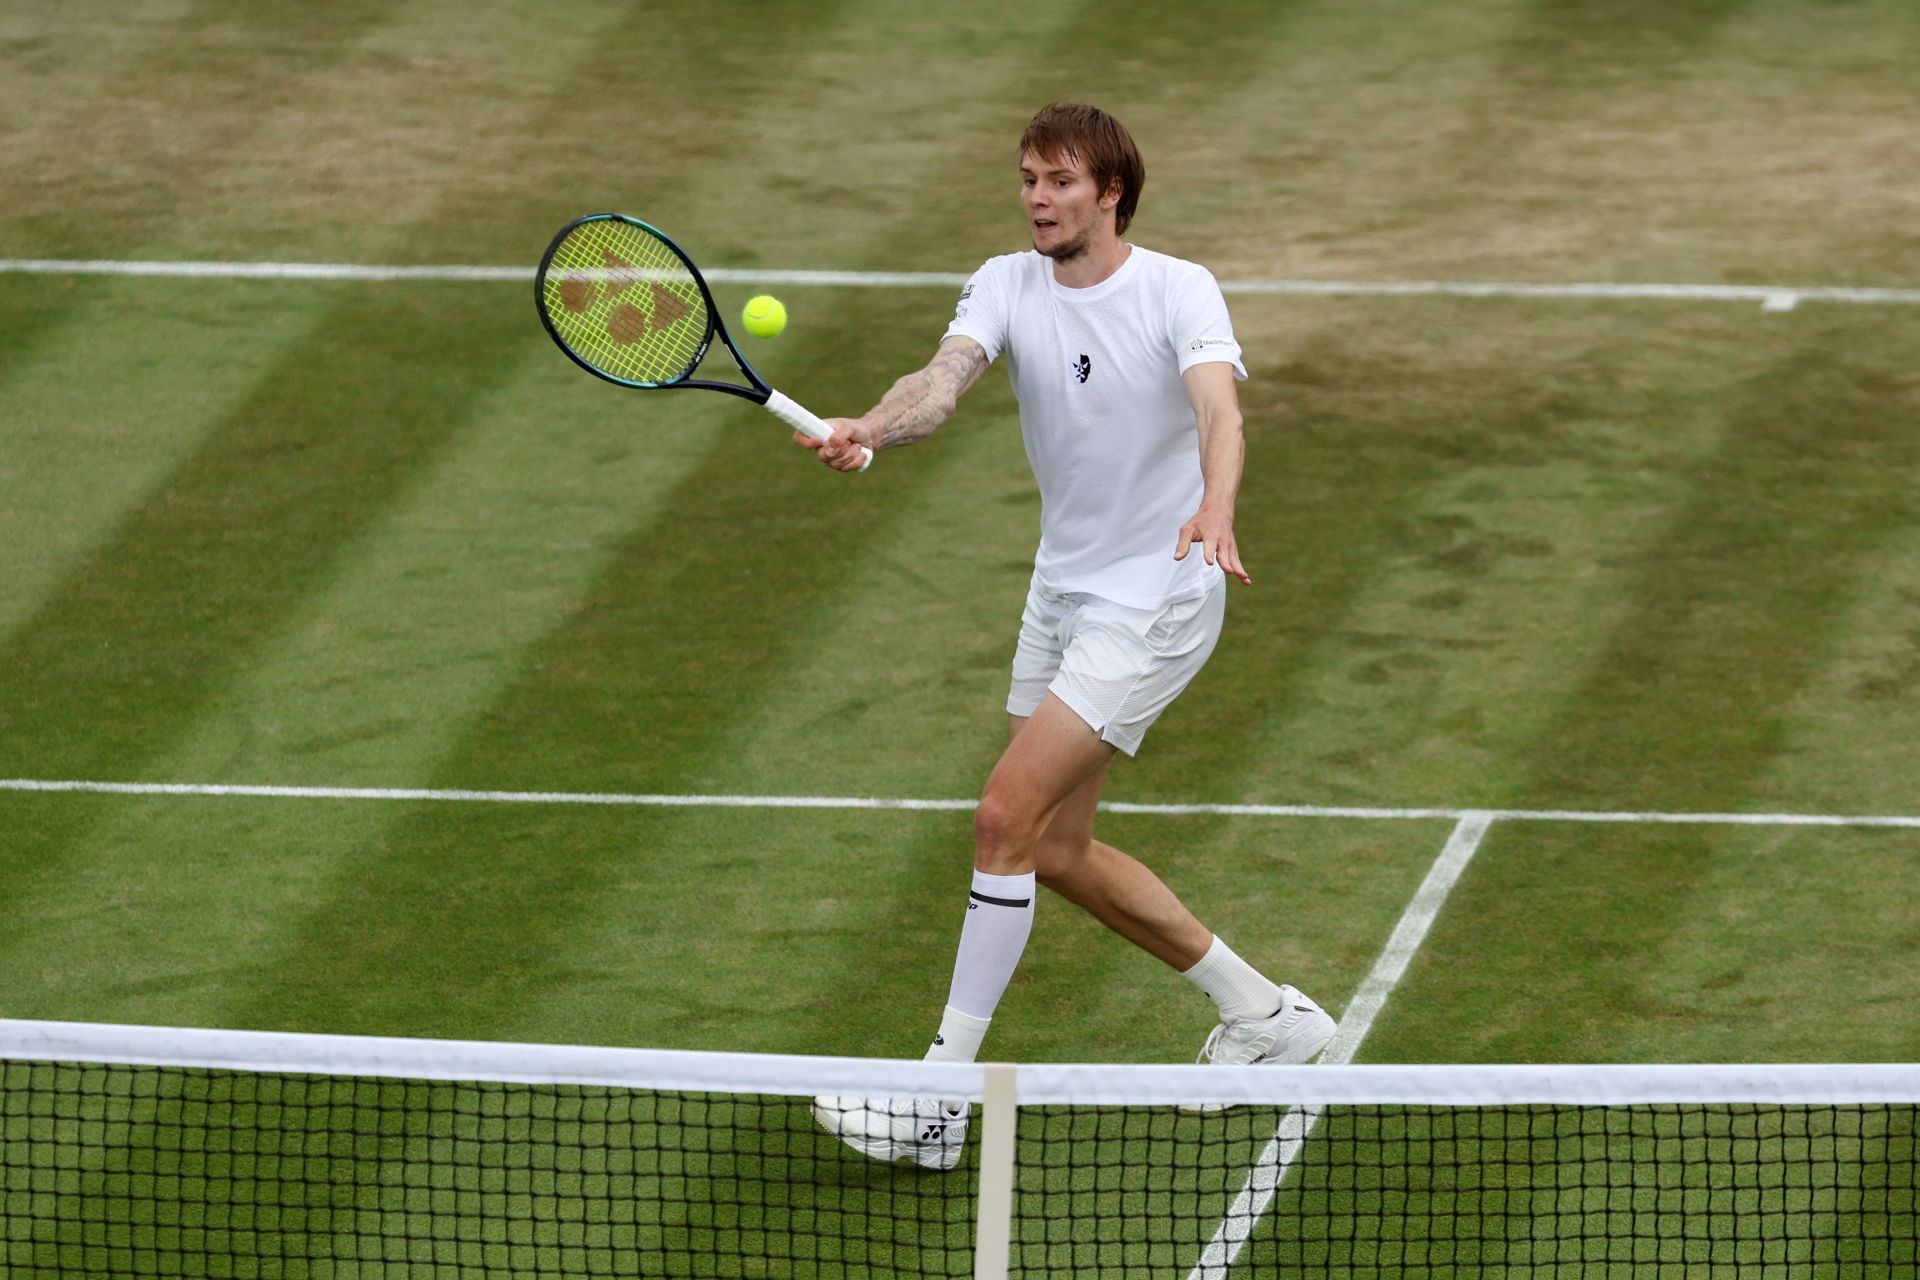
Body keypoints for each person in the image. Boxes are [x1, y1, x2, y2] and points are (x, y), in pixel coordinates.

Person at [800, 102, 1335, 1171]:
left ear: (1111, 193)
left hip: (1158, 596)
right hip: (1066, 590)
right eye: (1029, 180)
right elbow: (941, 381)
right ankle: (1270, 1017)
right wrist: (875, 423)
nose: (1038, 199)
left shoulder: (1178, 289)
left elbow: (1219, 411)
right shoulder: (1004, 281)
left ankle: (939, 1100)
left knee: (1001, 812)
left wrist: (1217, 506)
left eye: (1059, 182)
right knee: (1049, 845)